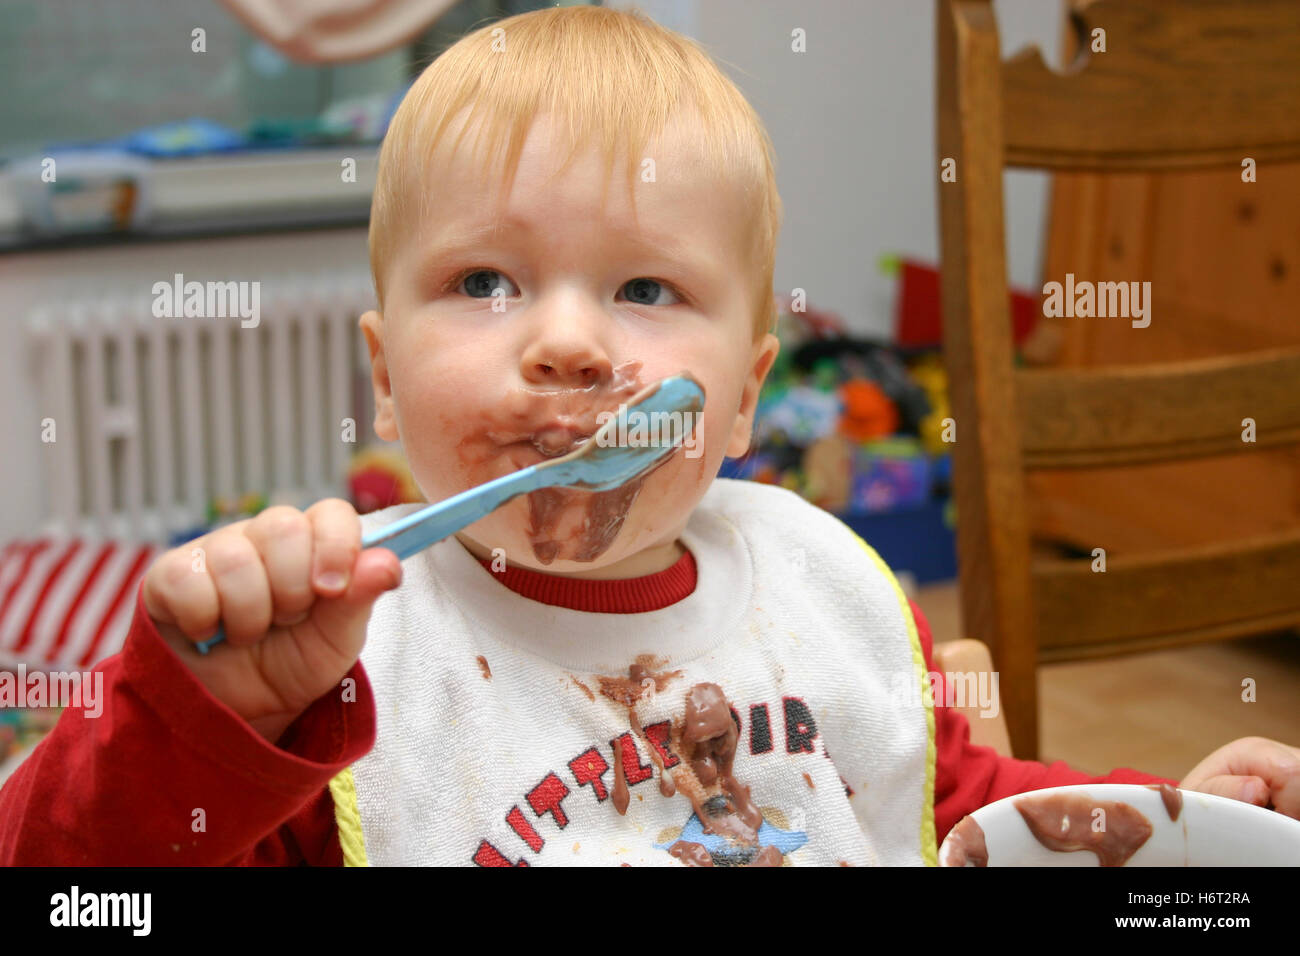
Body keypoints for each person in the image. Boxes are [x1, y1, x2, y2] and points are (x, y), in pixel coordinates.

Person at [2, 5, 1295, 866]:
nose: (566, 343)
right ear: (384, 383)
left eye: (646, 289)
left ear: (743, 397)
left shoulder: (823, 589)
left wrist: (1159, 811)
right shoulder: (332, 674)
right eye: (486, 283)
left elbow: (938, 801)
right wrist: (197, 722)